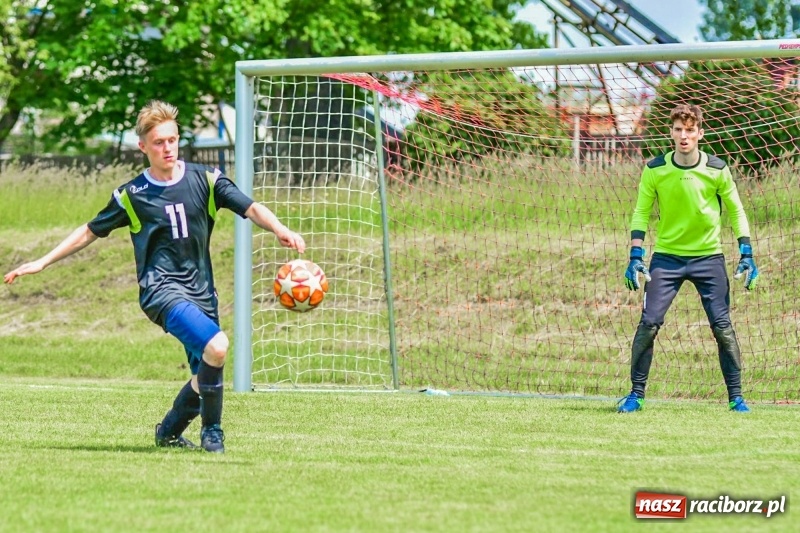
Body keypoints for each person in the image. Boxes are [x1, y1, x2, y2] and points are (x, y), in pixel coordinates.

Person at [3, 100, 306, 452]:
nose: (167, 148)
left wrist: (279, 228)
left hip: (202, 293)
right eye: (159, 142)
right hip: (161, 293)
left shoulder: (205, 180)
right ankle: (214, 433)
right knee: (218, 345)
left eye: (172, 140)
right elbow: (89, 230)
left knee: (206, 369)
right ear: (143, 147)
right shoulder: (132, 195)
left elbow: (250, 206)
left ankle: (169, 432)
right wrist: (43, 261)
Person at [620, 103, 759, 413]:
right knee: (649, 323)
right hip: (666, 259)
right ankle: (636, 395)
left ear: (700, 133)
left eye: (690, 130)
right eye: (679, 130)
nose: (684, 136)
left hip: (709, 258)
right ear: (671, 133)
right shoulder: (655, 168)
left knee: (722, 327)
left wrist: (746, 252)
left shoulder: (717, 168)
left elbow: (736, 210)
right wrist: (635, 255)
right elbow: (641, 212)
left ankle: (736, 398)